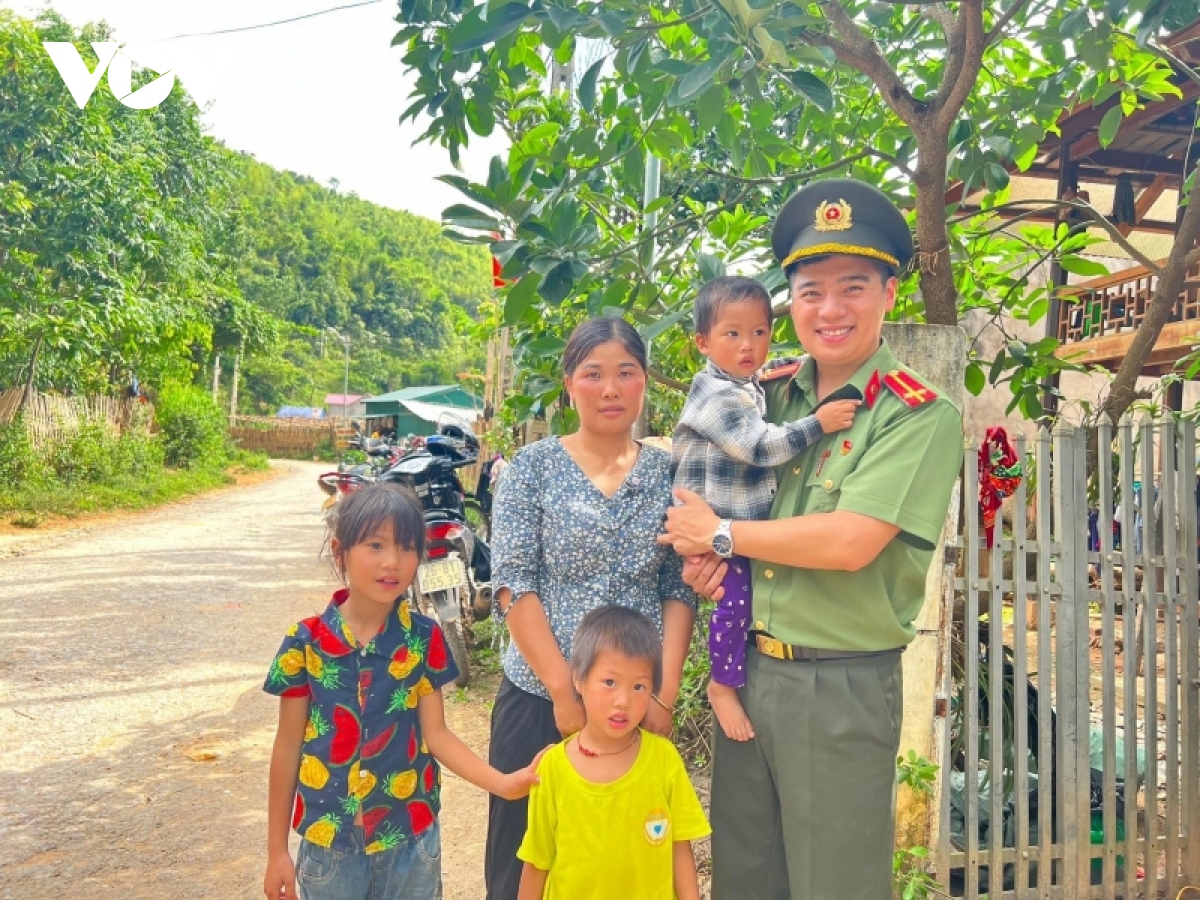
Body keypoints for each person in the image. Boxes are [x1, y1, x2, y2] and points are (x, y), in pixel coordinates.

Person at [660, 178, 964, 900]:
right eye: (810, 291)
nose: (830, 309)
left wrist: (723, 536)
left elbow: (849, 541)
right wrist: (707, 559)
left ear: (889, 293)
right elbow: (708, 494)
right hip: (746, 672)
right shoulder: (765, 395)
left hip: (839, 686)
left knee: (835, 885)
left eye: (852, 287)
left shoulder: (916, 414)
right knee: (746, 877)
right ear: (789, 303)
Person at [485, 317, 699, 900]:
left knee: (628, 859)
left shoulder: (669, 475)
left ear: (644, 381)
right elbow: (513, 583)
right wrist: (564, 690)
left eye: (626, 373)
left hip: (635, 703)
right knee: (521, 864)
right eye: (593, 374)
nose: (610, 389)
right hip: (539, 699)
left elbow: (678, 588)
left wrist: (664, 694)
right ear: (569, 384)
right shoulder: (531, 469)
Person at [262, 483, 545, 900]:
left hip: (410, 846)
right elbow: (288, 745)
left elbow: (437, 735)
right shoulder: (305, 642)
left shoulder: (424, 639)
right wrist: (276, 852)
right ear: (340, 552)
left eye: (407, 547)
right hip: (329, 848)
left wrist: (502, 783)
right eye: (375, 545)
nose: (392, 561)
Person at [672, 275, 859, 741]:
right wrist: (818, 423)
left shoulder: (744, 382)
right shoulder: (716, 395)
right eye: (732, 334)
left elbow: (769, 372)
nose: (748, 345)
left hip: (729, 526)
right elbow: (758, 446)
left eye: (759, 332)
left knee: (744, 600)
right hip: (711, 526)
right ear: (703, 342)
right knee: (736, 603)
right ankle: (721, 684)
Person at [517, 606, 710, 900]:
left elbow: (679, 845)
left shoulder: (663, 758)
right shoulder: (552, 768)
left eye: (639, 686)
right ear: (578, 679)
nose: (623, 701)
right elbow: (537, 860)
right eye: (610, 682)